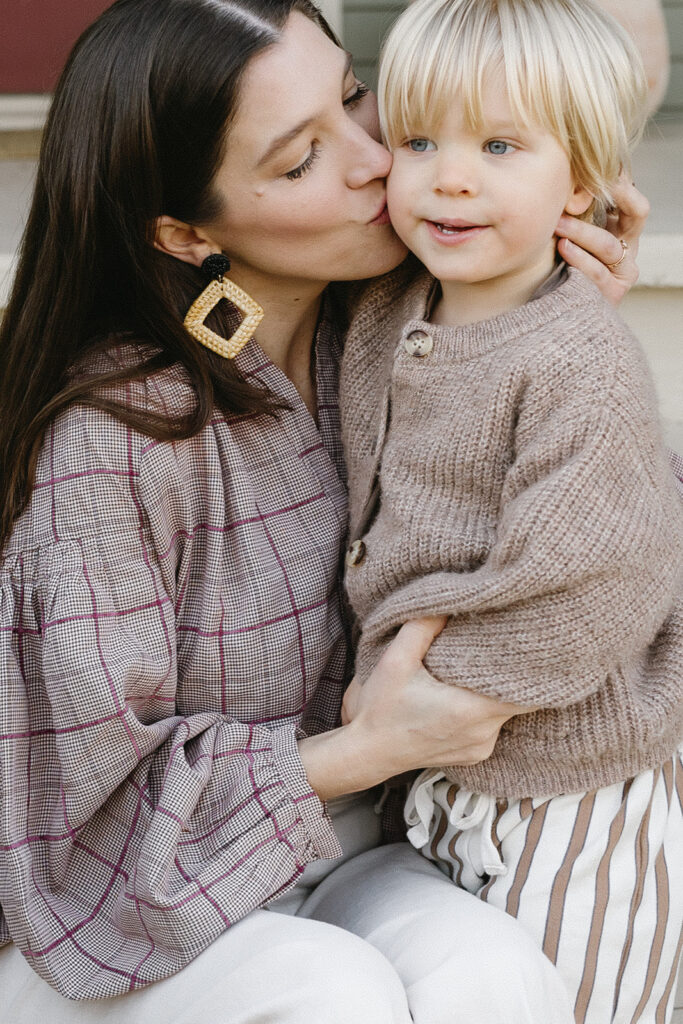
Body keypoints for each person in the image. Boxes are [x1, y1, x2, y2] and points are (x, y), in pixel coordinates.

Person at [0, 0, 654, 1019]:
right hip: (114, 915)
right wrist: (364, 750)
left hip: (345, 850)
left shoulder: (406, 329)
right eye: (303, 158)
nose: (373, 161)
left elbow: (599, 550)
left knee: (497, 975)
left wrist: (541, 329)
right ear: (184, 230)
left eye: (354, 99)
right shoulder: (115, 435)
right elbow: (75, 814)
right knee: (330, 990)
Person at [337, 0, 683, 1021]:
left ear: (579, 182)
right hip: (445, 792)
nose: (449, 175)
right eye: (418, 139)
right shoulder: (389, 313)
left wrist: (409, 703)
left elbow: (584, 589)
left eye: (498, 145)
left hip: (571, 799)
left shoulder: (577, 362)